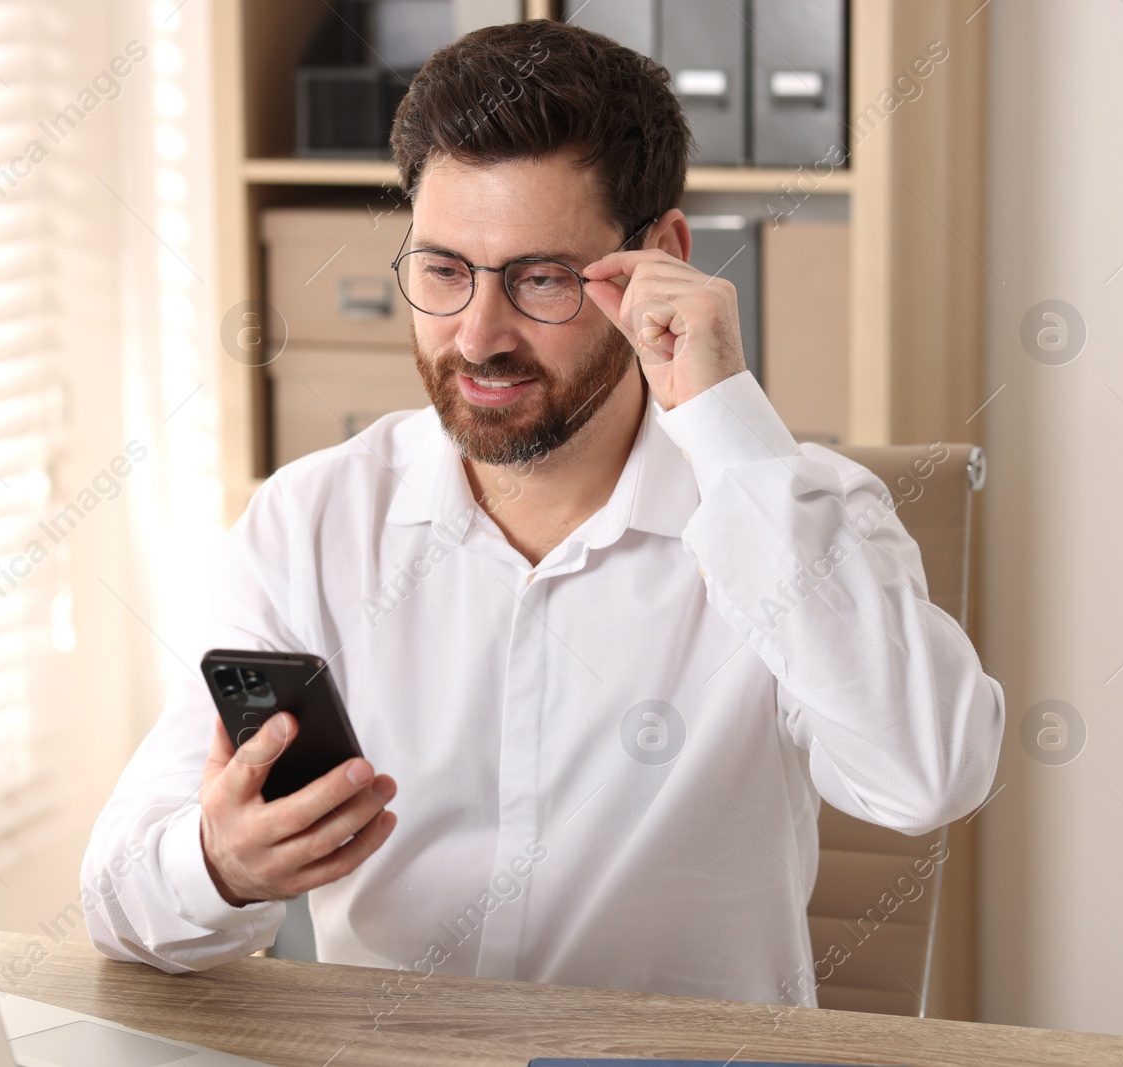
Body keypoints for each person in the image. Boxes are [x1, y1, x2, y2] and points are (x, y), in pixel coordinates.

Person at [81, 20, 1003, 1007]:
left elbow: (927, 778)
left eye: (540, 280)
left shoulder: (794, 510)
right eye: (442, 272)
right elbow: (116, 892)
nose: (477, 335)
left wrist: (725, 416)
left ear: (664, 262)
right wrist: (220, 862)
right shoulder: (312, 519)